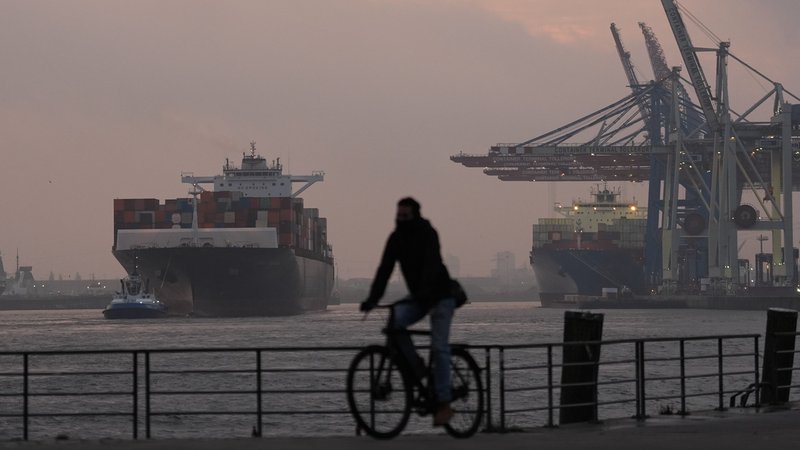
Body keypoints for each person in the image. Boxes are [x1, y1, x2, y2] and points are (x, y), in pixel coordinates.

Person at [360, 197, 456, 427]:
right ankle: (417, 367)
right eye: (398, 216)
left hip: (441, 295)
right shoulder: (396, 239)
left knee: (439, 347)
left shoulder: (428, 233)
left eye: (405, 216)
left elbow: (432, 264)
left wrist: (423, 291)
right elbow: (384, 270)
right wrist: (372, 299)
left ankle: (444, 403)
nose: (400, 220)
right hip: (420, 297)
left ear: (415, 215)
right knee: (395, 322)